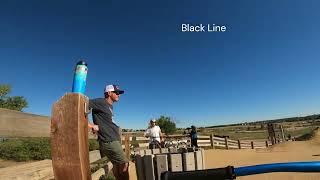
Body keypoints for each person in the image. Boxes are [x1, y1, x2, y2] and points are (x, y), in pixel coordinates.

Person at [89, 84, 129, 180]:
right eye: (117, 93)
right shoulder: (101, 102)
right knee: (125, 164)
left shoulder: (110, 106)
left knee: (117, 165)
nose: (118, 95)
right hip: (109, 141)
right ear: (109, 93)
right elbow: (81, 104)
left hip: (112, 140)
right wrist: (90, 126)